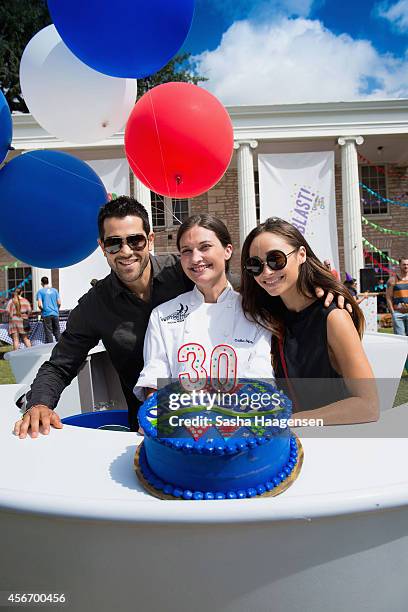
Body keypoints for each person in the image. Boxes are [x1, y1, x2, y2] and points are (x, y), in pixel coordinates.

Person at [14, 197, 348, 439]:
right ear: (103, 247)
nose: (126, 250)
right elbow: (61, 363)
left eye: (134, 240)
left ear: (150, 240)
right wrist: (39, 404)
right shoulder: (94, 306)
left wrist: (321, 293)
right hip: (157, 430)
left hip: (242, 425)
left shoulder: (187, 271)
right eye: (115, 243)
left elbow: (261, 287)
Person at [240, 217, 379, 425]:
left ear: (301, 255)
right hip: (285, 448)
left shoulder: (333, 317)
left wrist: (289, 422)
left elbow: (367, 406)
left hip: (332, 444)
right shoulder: (267, 314)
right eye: (254, 265)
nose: (266, 272)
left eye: (275, 260)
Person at [134, 215, 273, 400]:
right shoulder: (163, 315)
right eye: (186, 251)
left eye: (205, 247)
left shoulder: (256, 314)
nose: (195, 258)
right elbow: (154, 378)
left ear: (227, 250)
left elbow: (259, 383)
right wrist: (154, 416)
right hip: (180, 422)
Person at [386, 258, 408, 336]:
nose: (406, 266)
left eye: (407, 264)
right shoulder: (392, 280)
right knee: (400, 340)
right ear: (400, 265)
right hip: (398, 314)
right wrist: (393, 313)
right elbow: (389, 297)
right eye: (404, 264)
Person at [36, 276, 61, 344]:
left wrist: (43, 310)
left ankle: (50, 348)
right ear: (48, 282)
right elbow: (59, 302)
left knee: (49, 332)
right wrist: (56, 309)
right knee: (57, 331)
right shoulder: (55, 290)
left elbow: (40, 305)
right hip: (55, 313)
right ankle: (61, 347)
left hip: (46, 314)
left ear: (41, 283)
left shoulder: (40, 292)